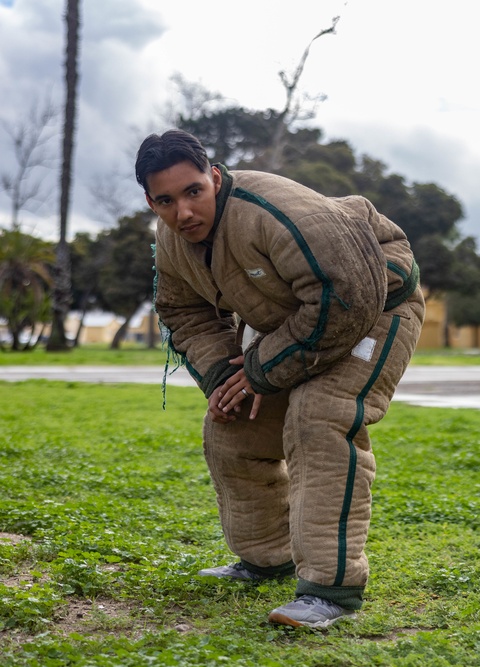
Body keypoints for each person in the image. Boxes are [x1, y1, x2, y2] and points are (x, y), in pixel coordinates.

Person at [135, 129, 424, 628]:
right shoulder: (171, 241)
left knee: (320, 417)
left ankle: (329, 589)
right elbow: (184, 313)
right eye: (166, 200)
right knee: (233, 423)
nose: (183, 212)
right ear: (150, 201)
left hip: (374, 305)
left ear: (215, 178)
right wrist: (228, 379)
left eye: (193, 192)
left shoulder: (275, 210)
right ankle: (266, 558)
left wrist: (261, 370)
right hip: (293, 319)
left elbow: (344, 297)